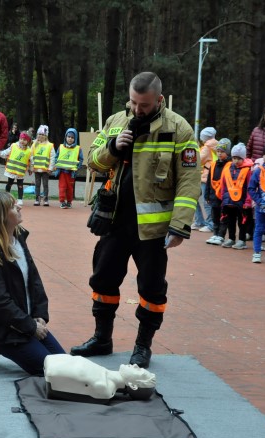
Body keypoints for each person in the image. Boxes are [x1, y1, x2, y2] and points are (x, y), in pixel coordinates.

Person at [70, 72, 200, 369]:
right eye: (133, 102)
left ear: (159, 100)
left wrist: (180, 225)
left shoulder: (178, 128)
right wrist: (113, 148)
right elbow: (92, 160)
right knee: (103, 280)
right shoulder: (116, 121)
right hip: (114, 221)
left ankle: (143, 346)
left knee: (152, 289)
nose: (137, 110)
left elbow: (189, 180)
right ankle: (102, 338)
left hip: (153, 230)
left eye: (144, 105)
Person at [0, 191, 65, 375]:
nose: (19, 206)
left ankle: (7, 340)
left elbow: (34, 280)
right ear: (1, 217)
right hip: (5, 330)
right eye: (12, 206)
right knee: (54, 372)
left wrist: (39, 315)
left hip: (25, 321)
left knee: (65, 363)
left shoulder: (18, 238)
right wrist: (30, 327)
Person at [220, 141, 252, 251]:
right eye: (234, 158)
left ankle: (242, 240)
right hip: (229, 200)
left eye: (239, 158)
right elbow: (223, 183)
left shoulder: (248, 170)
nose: (236, 161)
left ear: (243, 158)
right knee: (230, 220)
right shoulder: (228, 168)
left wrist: (248, 201)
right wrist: (223, 197)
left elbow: (250, 186)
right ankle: (231, 238)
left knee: (242, 221)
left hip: (242, 201)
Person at [204, 139, 234, 246]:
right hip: (213, 195)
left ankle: (221, 235)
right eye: (218, 151)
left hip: (224, 196)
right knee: (215, 215)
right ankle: (215, 233)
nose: (220, 153)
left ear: (228, 152)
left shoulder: (230, 165)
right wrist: (207, 195)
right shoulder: (213, 165)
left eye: (222, 151)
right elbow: (209, 181)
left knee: (224, 216)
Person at [0, 132, 32, 206]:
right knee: (9, 183)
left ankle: (20, 199)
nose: (22, 141)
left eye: (24, 140)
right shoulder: (13, 146)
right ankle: (7, 197)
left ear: (28, 141)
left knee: (20, 185)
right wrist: (0, 153)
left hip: (20, 172)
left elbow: (31, 160)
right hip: (12, 170)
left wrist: (31, 168)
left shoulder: (29, 150)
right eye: (21, 139)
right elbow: (7, 152)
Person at [54, 128, 83, 209]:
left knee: (70, 188)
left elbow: (81, 159)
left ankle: (69, 202)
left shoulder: (78, 148)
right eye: (69, 137)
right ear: (65, 137)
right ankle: (62, 201)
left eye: (72, 137)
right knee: (62, 187)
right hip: (62, 172)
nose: (70, 139)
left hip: (71, 173)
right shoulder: (61, 147)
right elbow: (56, 157)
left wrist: (77, 167)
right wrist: (56, 164)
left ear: (75, 139)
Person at [195, 126, 217, 232]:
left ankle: (209, 224)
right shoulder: (215, 145)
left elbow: (197, 159)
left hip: (205, 176)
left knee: (205, 201)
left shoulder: (207, 147)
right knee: (199, 198)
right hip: (209, 175)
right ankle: (200, 221)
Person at [30, 125, 56, 206]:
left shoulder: (50, 145)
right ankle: (37, 199)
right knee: (37, 184)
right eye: (39, 134)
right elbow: (31, 155)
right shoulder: (34, 144)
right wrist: (32, 165)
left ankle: (45, 199)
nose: (40, 136)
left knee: (45, 185)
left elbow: (52, 157)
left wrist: (50, 168)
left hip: (45, 169)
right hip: (36, 168)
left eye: (42, 134)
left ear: (46, 136)